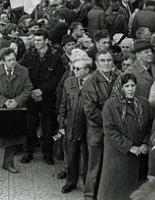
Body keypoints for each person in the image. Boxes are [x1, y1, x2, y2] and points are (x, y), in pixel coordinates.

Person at [97, 73, 153, 200]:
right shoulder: (110, 105)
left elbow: (150, 126)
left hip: (139, 155)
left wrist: (145, 143)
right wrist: (129, 146)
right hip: (117, 154)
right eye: (126, 86)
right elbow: (110, 131)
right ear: (120, 87)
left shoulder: (144, 104)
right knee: (114, 190)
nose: (130, 89)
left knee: (134, 190)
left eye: (133, 85)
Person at [0, 47, 33, 173]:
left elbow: (28, 88)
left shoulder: (23, 71)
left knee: (13, 137)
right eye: (9, 60)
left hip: (16, 109)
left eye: (14, 59)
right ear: (3, 61)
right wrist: (4, 101)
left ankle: (8, 163)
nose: (13, 62)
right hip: (0, 109)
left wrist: (17, 101)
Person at [19, 28, 64, 165]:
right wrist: (32, 91)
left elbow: (57, 78)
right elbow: (22, 73)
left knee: (48, 127)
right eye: (35, 40)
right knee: (29, 125)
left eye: (39, 40)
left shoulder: (56, 56)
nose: (36, 43)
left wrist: (42, 91)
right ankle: (28, 152)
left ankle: (47, 153)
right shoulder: (29, 54)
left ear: (46, 41)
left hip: (48, 97)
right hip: (31, 96)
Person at [81, 50, 121, 200]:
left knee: (111, 165)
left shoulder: (119, 78)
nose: (106, 63)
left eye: (109, 60)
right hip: (97, 131)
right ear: (97, 64)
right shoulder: (91, 82)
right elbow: (90, 110)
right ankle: (89, 194)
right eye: (103, 61)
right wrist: (109, 122)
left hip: (115, 130)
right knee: (94, 166)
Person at [58, 57, 92, 194]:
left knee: (88, 158)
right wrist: (61, 125)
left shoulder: (94, 83)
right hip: (71, 125)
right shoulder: (69, 82)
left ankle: (88, 185)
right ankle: (71, 182)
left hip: (89, 126)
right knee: (72, 156)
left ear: (87, 70)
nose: (74, 71)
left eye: (78, 68)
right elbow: (63, 105)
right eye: (74, 68)